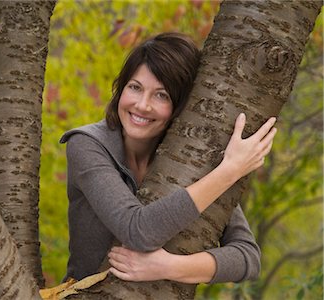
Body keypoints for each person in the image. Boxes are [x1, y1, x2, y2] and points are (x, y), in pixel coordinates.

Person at [59, 32, 276, 284]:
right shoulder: (86, 144)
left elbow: (248, 257)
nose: (142, 105)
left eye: (161, 95)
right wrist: (229, 172)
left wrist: (170, 267)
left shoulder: (190, 159)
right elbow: (137, 230)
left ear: (181, 105)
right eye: (135, 87)